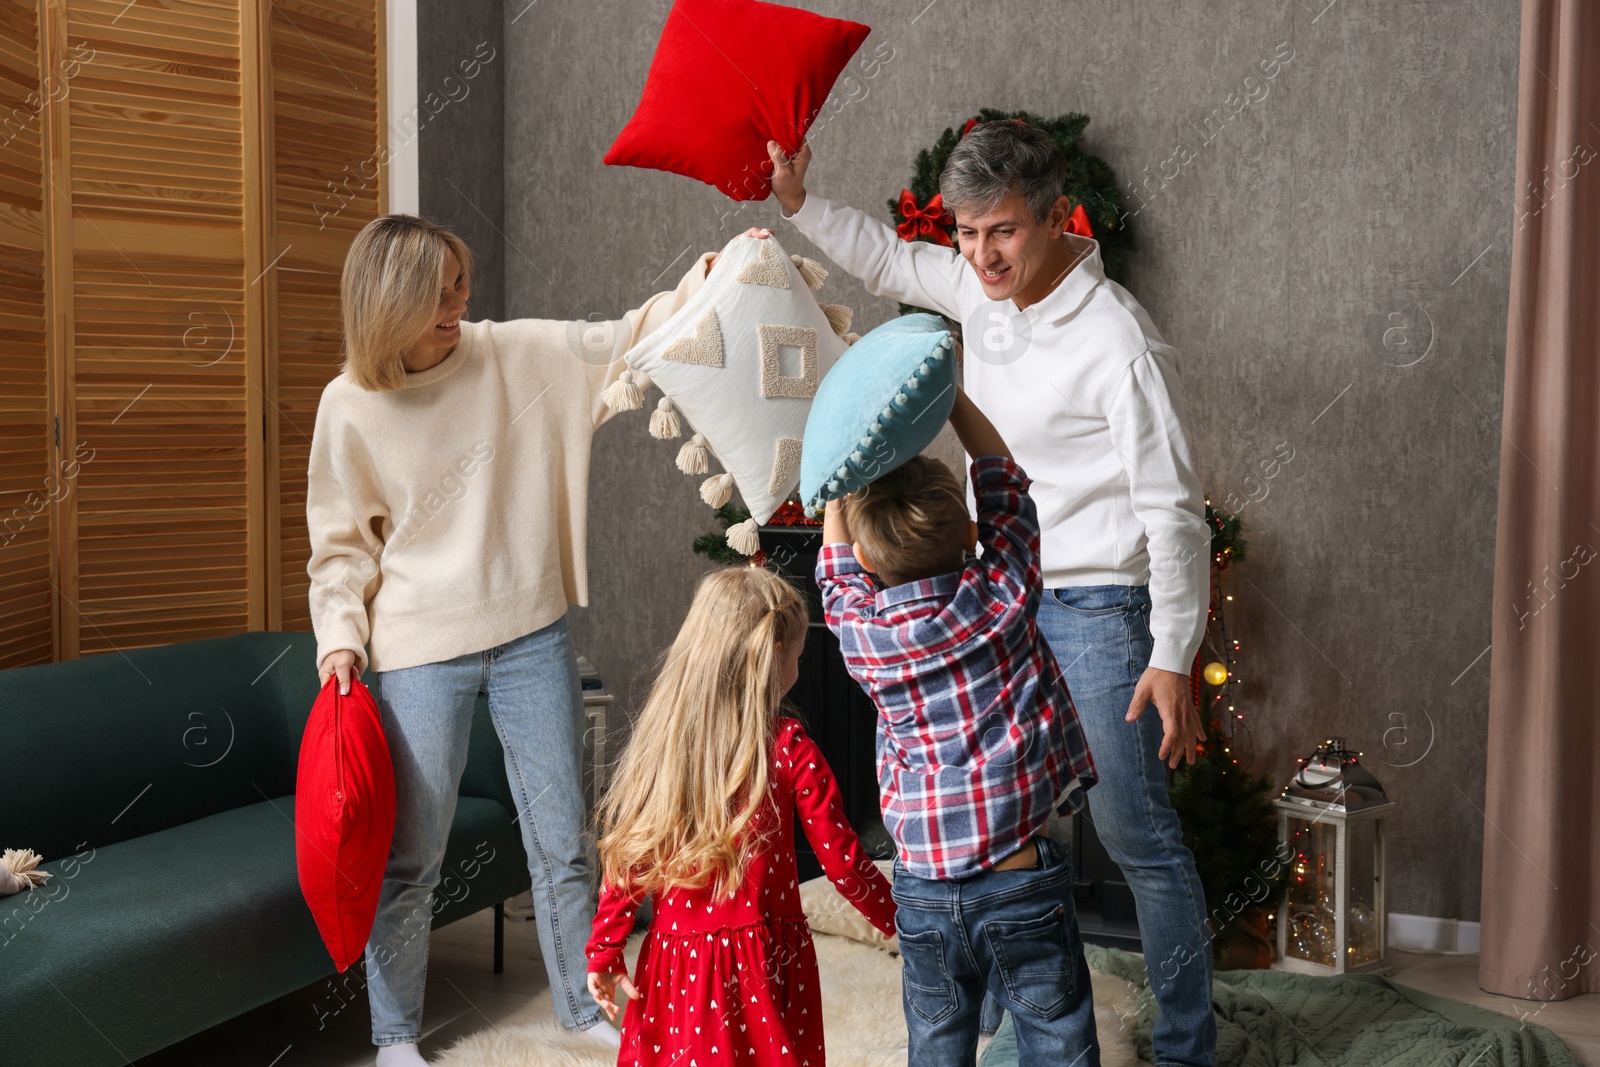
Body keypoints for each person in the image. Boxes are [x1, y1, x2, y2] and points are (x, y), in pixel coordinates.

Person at [772, 121, 1217, 1066]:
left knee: (1134, 833)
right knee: (999, 832)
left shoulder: (1118, 342)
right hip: (994, 598)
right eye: (968, 233)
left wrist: (1174, 651)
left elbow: (1176, 514)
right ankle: (976, 1017)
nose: (980, 254)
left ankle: (1185, 1045)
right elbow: (888, 256)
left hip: (1096, 602)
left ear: (1057, 218)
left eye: (1003, 231)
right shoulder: (973, 284)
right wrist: (802, 203)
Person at [305, 214, 723, 1064]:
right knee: (412, 854)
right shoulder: (349, 405)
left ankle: (581, 1005)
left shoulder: (512, 352)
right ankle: (393, 1039)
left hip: (531, 629)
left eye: (460, 283)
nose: (462, 302)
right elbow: (340, 545)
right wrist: (339, 639)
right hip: (419, 646)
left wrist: (711, 278)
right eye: (440, 293)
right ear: (391, 306)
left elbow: (627, 335)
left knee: (561, 834)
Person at [815, 388, 1101, 1067]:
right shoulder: (1002, 595)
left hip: (922, 889)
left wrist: (836, 477)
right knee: (1057, 1036)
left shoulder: (866, 637)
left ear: (869, 560)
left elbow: (834, 580)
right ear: (969, 536)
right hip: (1018, 878)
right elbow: (1003, 477)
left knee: (937, 1044)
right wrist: (948, 396)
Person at [585, 566, 897, 1066]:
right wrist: (902, 920)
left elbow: (629, 857)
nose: (799, 664)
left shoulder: (664, 745)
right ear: (772, 658)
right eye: (797, 655)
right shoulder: (791, 748)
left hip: (677, 963)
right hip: (764, 964)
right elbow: (842, 863)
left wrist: (604, 949)